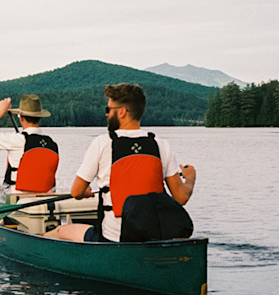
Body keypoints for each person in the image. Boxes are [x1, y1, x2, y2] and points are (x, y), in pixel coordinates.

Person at [46, 83, 196, 242]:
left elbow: (76, 192)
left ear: (122, 112)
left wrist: (85, 193)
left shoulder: (103, 143)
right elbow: (181, 197)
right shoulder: (161, 144)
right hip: (155, 236)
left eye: (108, 110)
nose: (106, 114)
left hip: (114, 238)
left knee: (61, 231)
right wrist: (190, 179)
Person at [0, 94, 59, 194]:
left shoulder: (16, 140)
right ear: (39, 117)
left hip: (17, 197)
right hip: (45, 197)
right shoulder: (52, 144)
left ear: (21, 118)